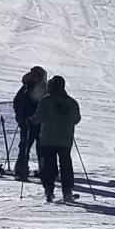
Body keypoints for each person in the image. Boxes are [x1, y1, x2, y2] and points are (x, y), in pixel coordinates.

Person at [33, 75, 81, 203]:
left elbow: (39, 117)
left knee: (49, 165)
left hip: (48, 138)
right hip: (65, 140)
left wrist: (30, 120)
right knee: (66, 165)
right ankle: (67, 192)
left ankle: (49, 191)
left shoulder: (46, 101)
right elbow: (76, 119)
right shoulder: (71, 102)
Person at [10, 66, 46, 181]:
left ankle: (21, 171)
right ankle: (44, 171)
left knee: (25, 147)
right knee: (41, 148)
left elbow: (17, 104)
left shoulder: (25, 88)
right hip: (39, 124)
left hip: (28, 123)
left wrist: (21, 118)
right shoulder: (42, 89)